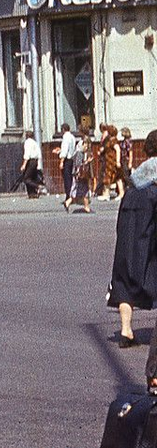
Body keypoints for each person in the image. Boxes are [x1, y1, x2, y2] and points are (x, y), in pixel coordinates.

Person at [109, 130, 157, 350]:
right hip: (150, 227)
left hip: (128, 227)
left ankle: (126, 330)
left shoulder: (138, 174)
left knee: (125, 274)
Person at [65, 132, 93, 214]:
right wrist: (87, 162)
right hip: (79, 175)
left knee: (78, 192)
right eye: (86, 145)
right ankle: (86, 207)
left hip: (80, 175)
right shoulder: (79, 153)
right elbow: (78, 165)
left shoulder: (82, 153)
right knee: (84, 191)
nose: (87, 147)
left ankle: (68, 202)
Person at [17, 131, 43, 198]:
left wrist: (24, 165)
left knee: (26, 178)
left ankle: (37, 186)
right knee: (32, 177)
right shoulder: (35, 143)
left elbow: (27, 154)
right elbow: (39, 153)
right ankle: (32, 194)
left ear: (26, 136)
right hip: (35, 161)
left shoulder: (27, 142)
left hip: (30, 162)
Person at [58, 123, 78, 202]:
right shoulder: (72, 137)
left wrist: (61, 161)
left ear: (63, 129)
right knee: (70, 178)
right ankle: (71, 195)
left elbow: (65, 150)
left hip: (67, 160)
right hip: (71, 159)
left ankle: (68, 196)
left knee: (67, 179)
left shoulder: (65, 137)